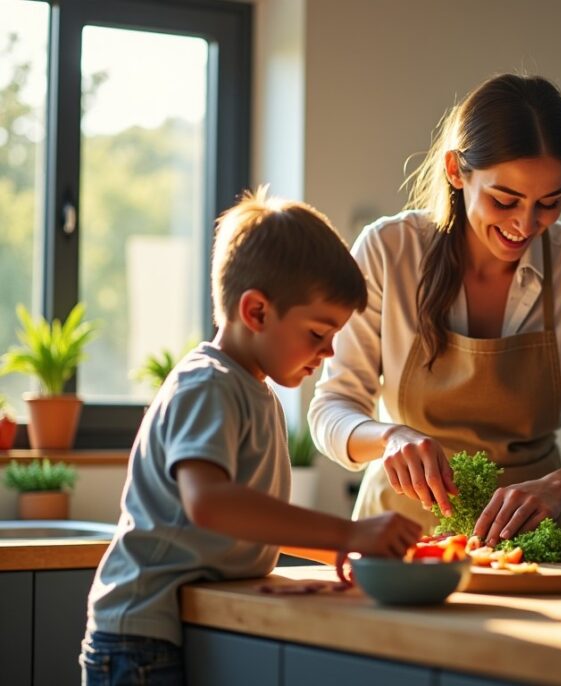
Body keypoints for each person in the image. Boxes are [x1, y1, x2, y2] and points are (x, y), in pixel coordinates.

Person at [80, 189, 422, 683]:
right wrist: (349, 532)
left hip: (176, 625)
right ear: (257, 312)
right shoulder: (208, 384)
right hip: (138, 636)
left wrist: (347, 550)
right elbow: (211, 504)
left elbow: (249, 522)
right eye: (317, 333)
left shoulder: (254, 389)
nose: (328, 352)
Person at [308, 73, 561, 546]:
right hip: (400, 537)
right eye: (504, 199)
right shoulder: (390, 251)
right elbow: (332, 409)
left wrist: (559, 486)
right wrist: (389, 437)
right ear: (456, 171)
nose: (526, 224)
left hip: (536, 539)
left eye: (550, 202)